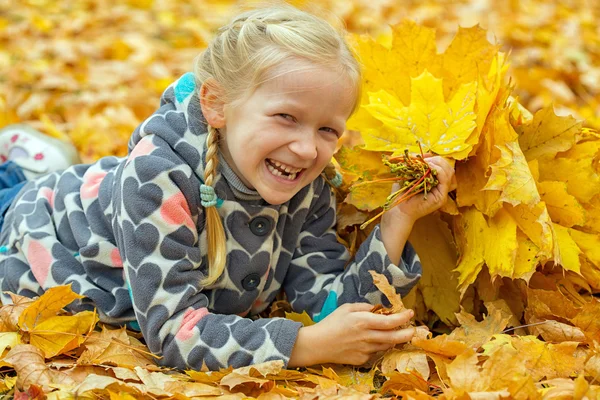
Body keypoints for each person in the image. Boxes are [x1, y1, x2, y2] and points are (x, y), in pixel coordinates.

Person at [0, 5, 455, 370]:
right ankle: (20, 168)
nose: (305, 147)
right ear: (217, 104)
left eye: (328, 130)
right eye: (286, 117)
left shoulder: (306, 186)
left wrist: (399, 219)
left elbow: (332, 310)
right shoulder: (159, 179)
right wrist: (307, 346)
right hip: (36, 231)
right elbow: (173, 333)